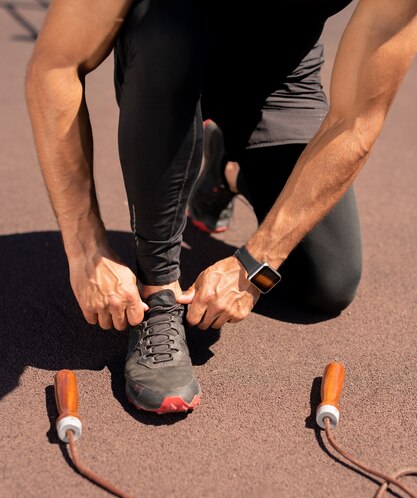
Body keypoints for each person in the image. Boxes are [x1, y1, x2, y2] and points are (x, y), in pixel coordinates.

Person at [26, 0, 417, 414]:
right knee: (167, 31)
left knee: (329, 283)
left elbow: (356, 121)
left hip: (280, 76)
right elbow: (54, 68)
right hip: (164, 59)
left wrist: (256, 264)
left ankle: (227, 172)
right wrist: (86, 251)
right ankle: (157, 293)